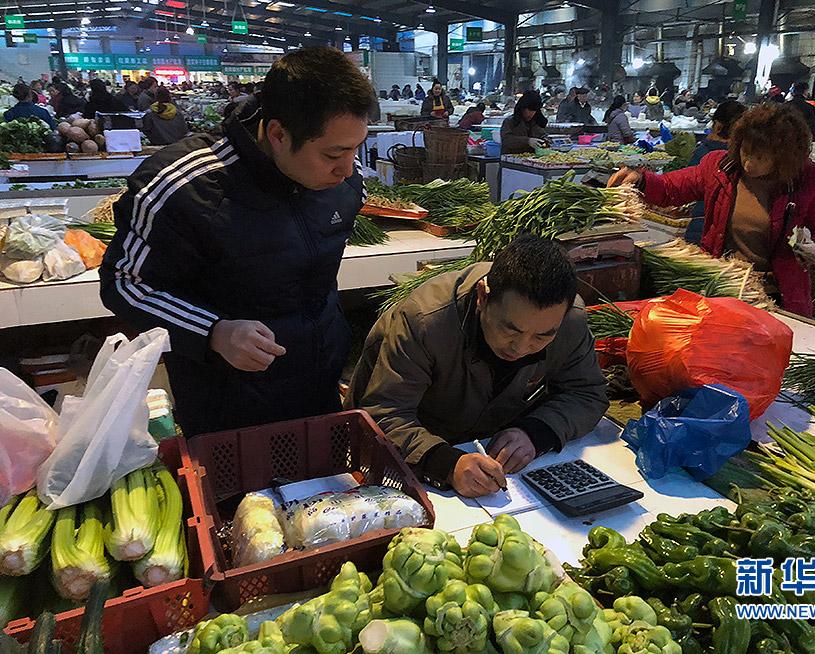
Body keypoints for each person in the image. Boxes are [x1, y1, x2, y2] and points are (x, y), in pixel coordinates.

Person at [100, 47, 372, 437]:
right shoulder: (185, 184)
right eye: (334, 153)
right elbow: (125, 283)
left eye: (355, 148)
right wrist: (213, 331)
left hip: (319, 380)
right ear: (278, 133)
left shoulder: (345, 181)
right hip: (227, 398)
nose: (348, 168)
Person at [345, 235, 608, 497]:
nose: (520, 347)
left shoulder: (569, 320)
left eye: (542, 336)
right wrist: (446, 464)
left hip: (492, 457)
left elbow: (586, 394)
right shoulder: (425, 321)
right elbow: (383, 414)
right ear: (483, 296)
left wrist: (537, 432)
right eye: (509, 329)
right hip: (416, 451)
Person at [608, 104, 815, 317]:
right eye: (746, 151)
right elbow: (671, 188)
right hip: (724, 286)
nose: (748, 163)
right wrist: (640, 180)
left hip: (776, 295)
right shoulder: (720, 167)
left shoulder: (810, 180)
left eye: (760, 157)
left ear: (784, 157)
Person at [684, 100, 747, 244]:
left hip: (702, 228)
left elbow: (688, 189)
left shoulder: (705, 153)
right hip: (734, 234)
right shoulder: (746, 158)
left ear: (717, 125)